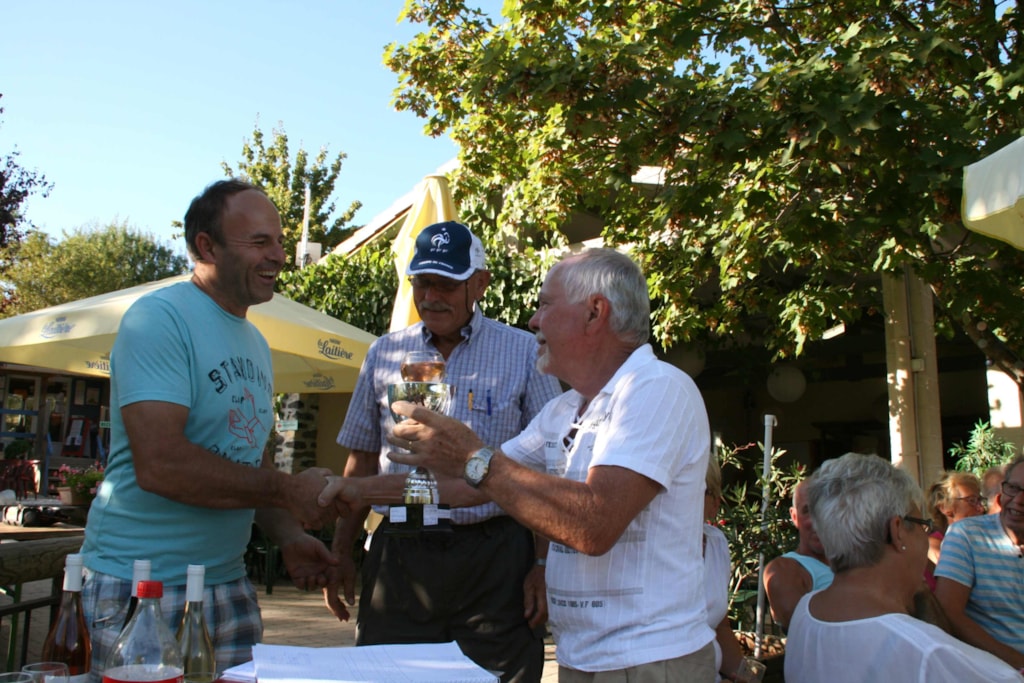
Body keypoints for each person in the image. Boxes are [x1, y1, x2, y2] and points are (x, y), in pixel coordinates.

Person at [364, 247, 718, 681]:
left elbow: (594, 524)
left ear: (594, 312)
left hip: (649, 661)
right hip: (587, 657)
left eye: (546, 305)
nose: (533, 320)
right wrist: (345, 491)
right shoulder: (565, 409)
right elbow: (467, 487)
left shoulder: (657, 388)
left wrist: (473, 456)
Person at [80, 179, 338, 676]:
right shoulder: (159, 319)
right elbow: (161, 464)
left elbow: (249, 457)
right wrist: (288, 490)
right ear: (207, 246)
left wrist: (287, 535)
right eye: (259, 242)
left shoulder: (256, 341)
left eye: (279, 241)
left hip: (227, 584)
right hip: (144, 587)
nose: (278, 255)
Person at [322, 221, 562, 683]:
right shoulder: (384, 353)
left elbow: (550, 466)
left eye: (446, 284)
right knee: (388, 676)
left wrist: (541, 564)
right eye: (422, 282)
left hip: (495, 558)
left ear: (480, 283)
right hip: (403, 552)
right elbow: (361, 461)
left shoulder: (524, 352)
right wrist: (341, 553)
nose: (431, 296)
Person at [784, 453, 1022, 682]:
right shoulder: (930, 653)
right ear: (897, 531)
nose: (924, 536)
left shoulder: (806, 612)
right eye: (922, 524)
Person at [935, 455, 1024, 670]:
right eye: (1013, 488)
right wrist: (1018, 663)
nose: (1019, 500)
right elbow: (947, 611)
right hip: (990, 672)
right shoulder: (966, 535)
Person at [703, 457, 757, 682]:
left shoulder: (716, 543)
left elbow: (720, 626)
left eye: (696, 489)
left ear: (715, 503)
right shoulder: (651, 552)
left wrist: (746, 677)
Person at [761, 479, 833, 629]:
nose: (817, 521)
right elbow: (801, 626)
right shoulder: (784, 568)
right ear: (794, 517)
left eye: (825, 510)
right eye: (808, 511)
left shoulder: (856, 563)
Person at [924, 471, 984, 590]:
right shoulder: (934, 545)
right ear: (945, 507)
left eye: (980, 500)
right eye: (972, 500)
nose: (981, 508)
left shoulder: (975, 542)